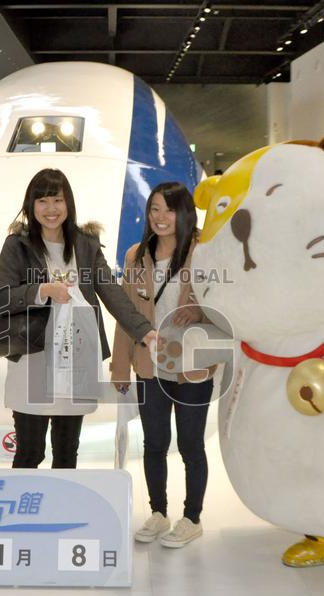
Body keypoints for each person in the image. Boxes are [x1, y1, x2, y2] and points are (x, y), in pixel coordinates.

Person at [0, 168, 157, 469]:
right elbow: (3, 296)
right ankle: (24, 514)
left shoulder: (85, 245)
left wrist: (144, 331)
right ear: (31, 205)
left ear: (68, 203)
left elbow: (112, 293)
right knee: (30, 452)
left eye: (57, 200)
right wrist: (42, 289)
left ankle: (59, 512)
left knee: (67, 452)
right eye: (42, 201)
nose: (50, 209)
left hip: (76, 358)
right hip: (33, 360)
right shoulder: (17, 245)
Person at [110, 183, 216, 548]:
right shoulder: (136, 256)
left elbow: (226, 307)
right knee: (154, 443)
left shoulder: (203, 253)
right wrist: (119, 368)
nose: (160, 217)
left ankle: (192, 518)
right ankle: (158, 512)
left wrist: (200, 309)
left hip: (191, 367)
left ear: (184, 212)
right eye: (154, 209)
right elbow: (126, 315)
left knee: (190, 445)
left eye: (168, 210)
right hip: (149, 365)